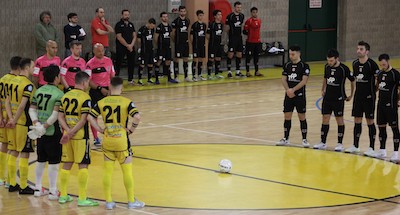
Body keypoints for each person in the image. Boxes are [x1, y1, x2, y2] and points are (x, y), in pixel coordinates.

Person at [88, 77, 144, 210]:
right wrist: (131, 130)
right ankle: (131, 201)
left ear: (109, 86)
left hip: (108, 140)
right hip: (121, 141)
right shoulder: (127, 102)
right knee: (127, 171)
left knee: (108, 171)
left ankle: (109, 201)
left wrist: (100, 129)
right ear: (122, 87)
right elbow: (137, 116)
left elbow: (90, 117)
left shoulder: (102, 102)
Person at [58, 71, 99, 206]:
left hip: (67, 135)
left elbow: (60, 117)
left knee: (67, 164)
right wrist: (73, 132)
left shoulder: (65, 96)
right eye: (88, 82)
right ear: (84, 82)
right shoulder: (85, 98)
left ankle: (63, 195)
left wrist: (68, 131)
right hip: (80, 136)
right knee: (83, 165)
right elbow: (83, 120)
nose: (88, 85)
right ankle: (82, 198)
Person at [29, 65, 64, 200]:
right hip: (51, 132)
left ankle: (38, 188)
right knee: (54, 162)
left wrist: (37, 124)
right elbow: (55, 114)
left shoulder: (38, 91)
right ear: (56, 78)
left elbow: (32, 109)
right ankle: (53, 191)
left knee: (41, 159)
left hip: (39, 132)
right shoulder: (59, 94)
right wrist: (44, 126)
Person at [313, 49, 355, 151]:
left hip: (339, 98)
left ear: (337, 59)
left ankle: (340, 143)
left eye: (331, 60)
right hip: (327, 98)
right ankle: (323, 142)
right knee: (325, 119)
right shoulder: (327, 67)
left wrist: (351, 95)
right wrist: (322, 89)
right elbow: (325, 78)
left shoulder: (344, 68)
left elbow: (353, 80)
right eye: (328, 60)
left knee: (339, 120)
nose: (329, 62)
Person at [5, 58, 36, 194]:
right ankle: (23, 186)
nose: (34, 69)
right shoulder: (28, 85)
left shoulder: (11, 81)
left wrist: (11, 119)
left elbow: (6, 101)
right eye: (33, 66)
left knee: (12, 151)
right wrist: (16, 119)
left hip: (12, 123)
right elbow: (23, 105)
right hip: (23, 123)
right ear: (27, 68)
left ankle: (12, 183)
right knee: (24, 153)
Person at [345, 41, 379, 154]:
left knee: (370, 121)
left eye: (361, 49)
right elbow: (354, 80)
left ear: (367, 51)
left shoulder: (372, 64)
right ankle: (355, 145)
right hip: (358, 97)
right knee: (357, 120)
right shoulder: (355, 63)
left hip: (369, 97)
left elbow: (378, 79)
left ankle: (371, 148)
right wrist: (352, 93)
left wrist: (374, 90)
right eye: (358, 48)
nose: (358, 51)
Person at [277, 45, 310, 147]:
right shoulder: (287, 65)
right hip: (288, 95)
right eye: (290, 54)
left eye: (293, 54)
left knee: (302, 117)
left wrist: (293, 90)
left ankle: (304, 139)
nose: (291, 56)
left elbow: (304, 81)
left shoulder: (304, 66)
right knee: (287, 116)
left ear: (298, 54)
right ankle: (286, 138)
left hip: (299, 96)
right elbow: (283, 79)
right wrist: (288, 90)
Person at [85, 43, 115, 146]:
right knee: (94, 115)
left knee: (110, 115)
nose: (101, 53)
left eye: (102, 50)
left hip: (107, 91)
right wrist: (99, 88)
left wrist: (110, 90)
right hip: (96, 92)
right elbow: (89, 80)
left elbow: (112, 76)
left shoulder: (109, 61)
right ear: (94, 51)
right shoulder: (89, 64)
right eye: (98, 51)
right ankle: (96, 137)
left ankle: (112, 134)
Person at [0, 56, 21, 187]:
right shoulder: (18, 81)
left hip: (3, 116)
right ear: (20, 67)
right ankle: (10, 180)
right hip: (13, 118)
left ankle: (1, 177)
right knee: (13, 148)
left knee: (4, 145)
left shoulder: (2, 79)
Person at [374, 54, 399, 162]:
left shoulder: (395, 74)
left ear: (388, 61)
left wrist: (398, 100)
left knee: (394, 128)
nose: (382, 66)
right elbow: (377, 87)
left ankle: (395, 152)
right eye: (380, 65)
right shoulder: (380, 73)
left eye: (384, 64)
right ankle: (382, 150)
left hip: (391, 105)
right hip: (380, 105)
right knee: (381, 127)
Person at [154, 12, 178, 84]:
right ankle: (157, 79)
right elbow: (155, 38)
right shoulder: (159, 27)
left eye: (166, 16)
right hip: (161, 48)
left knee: (168, 62)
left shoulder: (169, 27)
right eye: (164, 17)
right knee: (159, 61)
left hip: (168, 48)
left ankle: (169, 78)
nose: (165, 18)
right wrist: (158, 46)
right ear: (161, 18)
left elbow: (171, 36)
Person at [115, 9, 137, 83]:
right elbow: (119, 37)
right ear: (122, 15)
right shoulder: (118, 24)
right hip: (121, 47)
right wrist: (127, 45)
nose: (127, 16)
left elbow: (134, 35)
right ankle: (116, 79)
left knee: (131, 62)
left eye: (128, 15)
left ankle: (130, 79)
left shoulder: (131, 24)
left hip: (131, 47)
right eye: (125, 15)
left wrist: (131, 45)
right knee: (118, 63)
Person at [225, 1, 245, 78]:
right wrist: (229, 37)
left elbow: (240, 26)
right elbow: (227, 28)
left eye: (240, 7)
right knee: (230, 54)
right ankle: (229, 71)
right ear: (234, 7)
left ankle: (238, 71)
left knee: (239, 54)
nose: (239, 9)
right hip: (232, 38)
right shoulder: (230, 16)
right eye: (237, 7)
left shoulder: (242, 16)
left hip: (239, 37)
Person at [172, 6, 191, 82]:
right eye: (181, 11)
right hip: (178, 43)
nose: (183, 12)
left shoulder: (187, 20)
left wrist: (187, 39)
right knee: (177, 59)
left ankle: (186, 76)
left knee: (186, 59)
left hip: (185, 43)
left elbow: (188, 31)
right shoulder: (176, 21)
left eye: (184, 11)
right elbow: (173, 33)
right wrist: (176, 41)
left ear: (185, 12)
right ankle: (176, 77)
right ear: (179, 12)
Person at [243, 7, 263, 77]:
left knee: (256, 57)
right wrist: (250, 34)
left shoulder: (259, 20)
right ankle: (247, 72)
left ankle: (256, 71)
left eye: (256, 12)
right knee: (248, 57)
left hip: (257, 42)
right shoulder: (249, 21)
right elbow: (244, 31)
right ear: (251, 13)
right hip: (250, 42)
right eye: (253, 12)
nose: (255, 13)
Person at [137, 18, 156, 85]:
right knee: (142, 64)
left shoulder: (152, 29)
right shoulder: (142, 29)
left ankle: (149, 79)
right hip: (144, 49)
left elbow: (152, 38)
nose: (152, 27)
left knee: (150, 63)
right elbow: (138, 39)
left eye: (153, 26)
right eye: (151, 26)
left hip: (150, 49)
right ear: (149, 23)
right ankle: (140, 79)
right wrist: (139, 47)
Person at [206, 10, 224, 80]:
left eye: (221, 14)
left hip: (219, 44)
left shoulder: (222, 24)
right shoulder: (211, 24)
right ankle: (209, 74)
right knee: (211, 59)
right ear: (215, 16)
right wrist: (211, 42)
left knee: (218, 58)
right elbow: (207, 35)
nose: (220, 16)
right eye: (219, 15)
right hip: (212, 45)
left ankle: (217, 74)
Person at [190, 10, 207, 82]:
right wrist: (193, 43)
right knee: (195, 59)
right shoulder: (195, 25)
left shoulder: (204, 25)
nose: (201, 17)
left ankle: (199, 74)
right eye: (200, 15)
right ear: (197, 16)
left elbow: (204, 35)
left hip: (202, 45)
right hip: (196, 45)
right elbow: (191, 35)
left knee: (201, 59)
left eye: (202, 15)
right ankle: (194, 75)